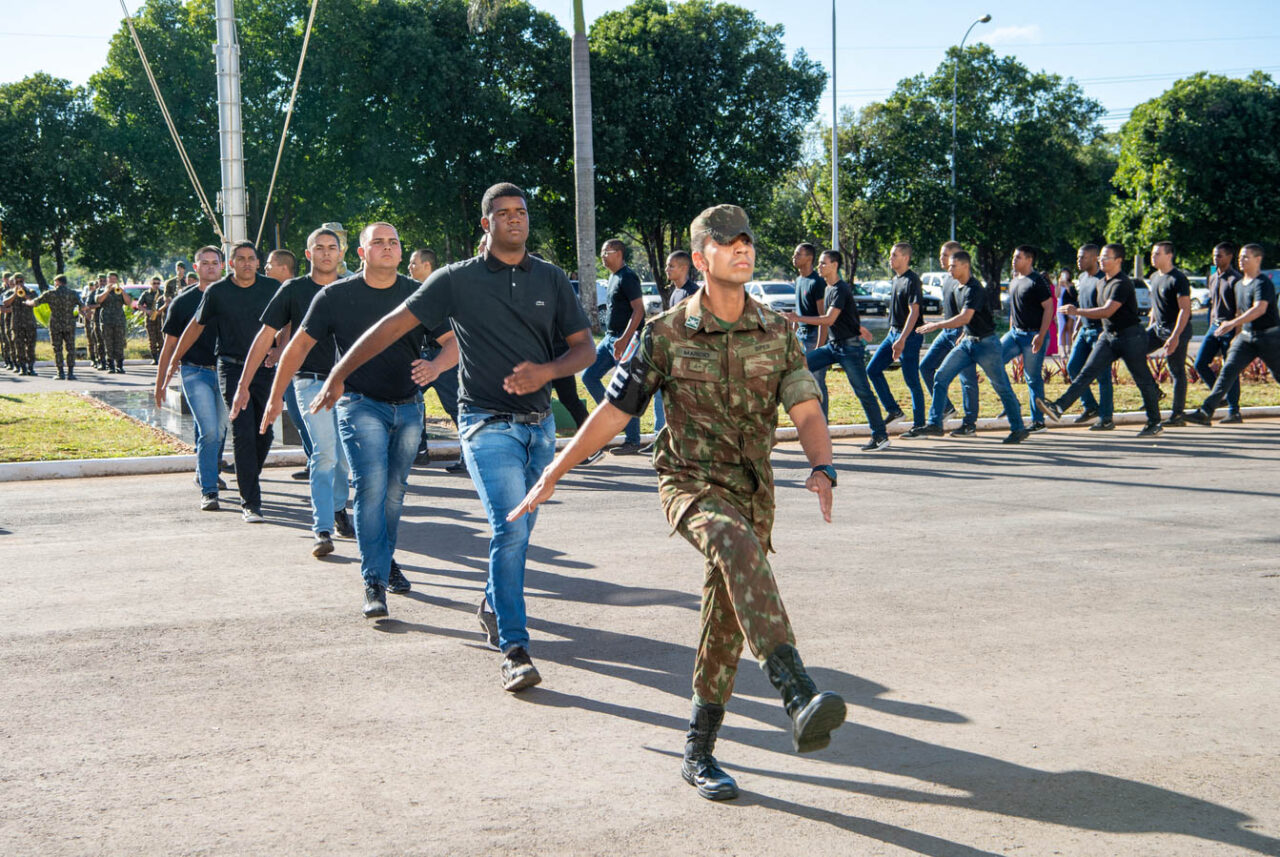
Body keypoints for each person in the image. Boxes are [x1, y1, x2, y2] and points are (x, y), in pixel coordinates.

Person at [508, 204, 847, 801]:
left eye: (747, 239)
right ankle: (795, 690)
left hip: (752, 492)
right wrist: (554, 472)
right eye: (727, 242)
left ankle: (698, 751)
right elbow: (614, 414)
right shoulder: (664, 334)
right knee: (735, 547)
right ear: (701, 257)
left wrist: (822, 466)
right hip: (689, 484)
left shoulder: (777, 331)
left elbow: (807, 407)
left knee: (725, 617)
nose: (742, 249)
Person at [309, 183, 594, 689]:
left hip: (539, 428)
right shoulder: (455, 280)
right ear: (485, 225)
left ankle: (490, 601)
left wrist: (546, 373)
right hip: (485, 423)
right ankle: (515, 647)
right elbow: (391, 326)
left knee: (522, 532)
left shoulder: (550, 278)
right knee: (509, 528)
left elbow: (584, 350)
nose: (514, 220)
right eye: (503, 214)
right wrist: (338, 373)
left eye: (521, 212)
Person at [231, 228, 356, 557]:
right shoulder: (294, 290)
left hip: (351, 384)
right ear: (308, 254)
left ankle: (339, 506)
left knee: (344, 461)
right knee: (325, 453)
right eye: (320, 248)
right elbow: (265, 336)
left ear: (341, 253)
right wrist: (243, 386)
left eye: (333, 247)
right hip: (310, 381)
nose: (327, 253)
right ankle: (323, 529)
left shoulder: (354, 289)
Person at [164, 241, 280, 522]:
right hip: (229, 367)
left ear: (257, 262)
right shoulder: (218, 291)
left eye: (251, 259)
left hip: (264, 369)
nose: (246, 263)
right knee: (242, 431)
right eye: (240, 259)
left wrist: (279, 348)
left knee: (264, 434)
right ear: (231, 263)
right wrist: (173, 360)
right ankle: (250, 502)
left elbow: (289, 322)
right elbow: (195, 326)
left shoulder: (272, 288)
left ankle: (248, 473)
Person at [1038, 244, 1163, 437]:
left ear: (1118, 261)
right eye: (1101, 258)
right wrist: (1080, 321)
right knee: (1086, 372)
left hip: (1131, 337)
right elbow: (1098, 311)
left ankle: (1154, 422)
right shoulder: (1101, 282)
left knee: (1143, 380)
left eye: (1105, 258)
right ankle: (1059, 407)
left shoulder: (1122, 283)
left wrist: (1076, 312)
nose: (1101, 261)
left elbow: (1107, 310)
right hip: (1108, 335)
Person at [913, 253, 1030, 443]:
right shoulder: (957, 287)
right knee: (941, 376)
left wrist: (937, 325)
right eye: (949, 266)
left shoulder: (974, 289)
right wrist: (963, 334)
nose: (949, 270)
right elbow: (970, 321)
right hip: (968, 342)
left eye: (953, 266)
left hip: (987, 345)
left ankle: (1018, 428)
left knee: (1001, 387)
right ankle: (935, 424)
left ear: (965, 266)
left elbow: (965, 317)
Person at [784, 249, 889, 450]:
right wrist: (858, 328)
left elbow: (829, 319)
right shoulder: (828, 288)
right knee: (801, 365)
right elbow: (845, 316)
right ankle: (812, 424)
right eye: (820, 263)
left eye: (823, 263)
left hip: (849, 349)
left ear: (834, 265)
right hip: (834, 346)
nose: (819, 266)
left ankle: (880, 435)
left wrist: (798, 318)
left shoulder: (841, 289)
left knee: (863, 391)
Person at [155, 247, 229, 510]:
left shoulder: (232, 296)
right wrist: (160, 382)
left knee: (219, 430)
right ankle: (209, 490)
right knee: (209, 429)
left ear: (223, 266)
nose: (210, 267)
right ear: (195, 268)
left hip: (225, 372)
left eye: (215, 263)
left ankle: (205, 470)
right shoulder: (183, 302)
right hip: (194, 371)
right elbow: (169, 345)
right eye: (204, 263)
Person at [1185, 244, 1280, 425]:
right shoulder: (1240, 285)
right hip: (1246, 336)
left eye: (1246, 257)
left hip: (1269, 337)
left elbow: (1259, 309)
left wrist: (1232, 324)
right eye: (1240, 257)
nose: (1241, 260)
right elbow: (1239, 311)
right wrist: (1237, 331)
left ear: (1258, 259)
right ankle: (1206, 412)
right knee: (1228, 371)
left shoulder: (1262, 283)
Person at [583, 238, 645, 454]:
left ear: (618, 252)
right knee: (588, 376)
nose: (602, 256)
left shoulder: (628, 277)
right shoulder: (612, 277)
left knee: (625, 388)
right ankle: (612, 417)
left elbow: (639, 310)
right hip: (609, 339)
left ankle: (633, 440)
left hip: (624, 340)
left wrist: (625, 338)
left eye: (605, 251)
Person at [408, 247, 466, 470]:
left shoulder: (441, 287)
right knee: (411, 400)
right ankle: (419, 450)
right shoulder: (415, 291)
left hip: (443, 356)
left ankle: (469, 455)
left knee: (454, 405)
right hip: (422, 356)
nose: (409, 267)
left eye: (414, 263)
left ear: (427, 265)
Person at [915, 241, 979, 437]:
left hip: (962, 333)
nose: (941, 259)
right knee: (926, 367)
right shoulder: (948, 278)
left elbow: (970, 311)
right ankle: (946, 408)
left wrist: (965, 333)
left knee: (967, 379)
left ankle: (969, 423)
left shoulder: (967, 280)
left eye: (945, 255)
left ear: (957, 255)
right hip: (947, 332)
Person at [867, 242, 926, 429]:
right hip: (893, 334)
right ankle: (894, 410)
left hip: (909, 336)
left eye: (894, 255)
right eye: (891, 255)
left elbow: (914, 312)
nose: (890, 259)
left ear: (905, 258)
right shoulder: (896, 279)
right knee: (872, 369)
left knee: (911, 380)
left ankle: (919, 425)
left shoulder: (912, 280)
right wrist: (893, 336)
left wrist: (901, 340)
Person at [999, 246, 1054, 431]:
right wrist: (1010, 330)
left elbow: (1049, 308)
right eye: (1014, 257)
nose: (1014, 260)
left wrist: (1041, 335)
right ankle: (1012, 402)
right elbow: (1015, 310)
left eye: (1018, 257)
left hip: (1033, 336)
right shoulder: (1015, 280)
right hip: (1015, 334)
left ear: (1029, 260)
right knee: (993, 362)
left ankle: (1038, 422)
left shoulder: (1037, 281)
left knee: (1032, 378)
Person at [1062, 244, 1114, 430]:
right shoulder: (1082, 277)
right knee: (1073, 367)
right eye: (1078, 257)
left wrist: (1102, 332)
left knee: (1103, 376)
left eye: (1083, 257)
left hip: (1100, 332)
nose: (1079, 261)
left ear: (1094, 259)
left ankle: (1106, 417)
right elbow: (1081, 304)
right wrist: (1078, 325)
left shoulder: (1103, 280)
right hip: (1084, 330)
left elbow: (1105, 310)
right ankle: (1090, 406)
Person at [1145, 241, 1195, 427]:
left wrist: (1175, 337)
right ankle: (1153, 390)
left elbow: (1185, 310)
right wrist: (1149, 327)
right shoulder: (1154, 277)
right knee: (1133, 352)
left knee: (1176, 371)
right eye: (1152, 253)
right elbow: (1155, 306)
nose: (1153, 257)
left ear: (1169, 255)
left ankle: (1177, 415)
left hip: (1177, 330)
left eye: (1157, 253)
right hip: (1158, 329)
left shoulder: (1178, 278)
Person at [1192, 243, 1242, 423]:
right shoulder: (1212, 277)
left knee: (1230, 370)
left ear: (1229, 257)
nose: (1216, 258)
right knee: (1200, 363)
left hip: (1230, 327)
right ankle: (1218, 397)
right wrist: (1210, 327)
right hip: (1214, 327)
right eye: (1214, 255)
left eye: (1219, 255)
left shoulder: (1235, 279)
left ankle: (1234, 411)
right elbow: (1213, 304)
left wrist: (1237, 333)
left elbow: (1240, 310)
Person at [791, 242, 827, 411]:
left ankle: (823, 429)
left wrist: (820, 348)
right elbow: (798, 314)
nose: (794, 257)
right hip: (801, 337)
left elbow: (823, 318)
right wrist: (793, 335)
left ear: (809, 258)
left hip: (814, 338)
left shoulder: (817, 282)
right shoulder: (798, 280)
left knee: (817, 384)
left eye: (798, 254)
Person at [27, 274, 84, 379]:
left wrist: (27, 302)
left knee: (57, 349)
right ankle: (70, 373)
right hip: (69, 324)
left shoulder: (50, 293)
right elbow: (83, 306)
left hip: (55, 325)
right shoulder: (73, 293)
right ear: (65, 282)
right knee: (70, 349)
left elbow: (35, 303)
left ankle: (60, 373)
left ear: (57, 282)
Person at [1, 274, 38, 375]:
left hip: (30, 323)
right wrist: (15, 294)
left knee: (30, 347)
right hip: (16, 324)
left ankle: (31, 367)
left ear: (24, 281)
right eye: (17, 282)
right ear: (13, 282)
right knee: (19, 347)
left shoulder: (31, 291)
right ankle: (22, 368)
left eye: (21, 281)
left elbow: (35, 302)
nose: (19, 284)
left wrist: (24, 295)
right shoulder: (8, 292)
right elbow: (5, 304)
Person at [96, 272, 127, 372]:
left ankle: (120, 365)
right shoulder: (101, 290)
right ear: (108, 280)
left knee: (119, 343)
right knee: (108, 344)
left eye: (114, 279)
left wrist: (122, 292)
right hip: (106, 321)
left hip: (119, 321)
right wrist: (107, 290)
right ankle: (111, 366)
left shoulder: (120, 291)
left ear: (117, 280)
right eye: (110, 279)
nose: (112, 281)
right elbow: (99, 300)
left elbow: (129, 302)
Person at [136, 276, 165, 364]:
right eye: (154, 283)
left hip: (160, 319)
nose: (156, 285)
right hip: (150, 319)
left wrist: (161, 310)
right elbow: (139, 305)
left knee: (161, 339)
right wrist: (146, 311)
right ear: (151, 284)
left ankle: (161, 358)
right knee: (152, 339)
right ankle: (155, 358)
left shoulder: (163, 293)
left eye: (158, 283)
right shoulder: (146, 293)